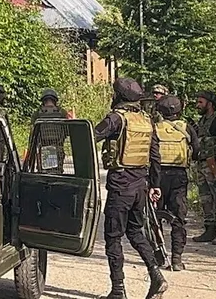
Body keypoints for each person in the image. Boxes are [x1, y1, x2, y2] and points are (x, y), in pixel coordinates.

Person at [94, 77, 168, 299]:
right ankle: (157, 276)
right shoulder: (146, 121)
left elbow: (91, 136)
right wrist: (155, 185)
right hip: (140, 187)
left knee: (113, 236)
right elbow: (155, 155)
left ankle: (118, 290)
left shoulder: (116, 119)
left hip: (120, 186)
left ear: (118, 96)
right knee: (136, 232)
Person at [153, 95, 198, 271]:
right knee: (178, 218)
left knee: (155, 217)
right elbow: (197, 151)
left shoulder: (155, 127)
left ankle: (159, 256)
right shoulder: (186, 127)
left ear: (160, 111)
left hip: (158, 175)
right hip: (179, 176)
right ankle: (177, 259)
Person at [191, 90, 216, 245]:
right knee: (205, 198)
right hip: (202, 164)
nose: (197, 105)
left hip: (215, 164)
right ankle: (210, 229)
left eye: (201, 102)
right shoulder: (202, 122)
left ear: (210, 104)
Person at [33, 89, 70, 172]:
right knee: (58, 173)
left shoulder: (38, 114)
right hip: (58, 148)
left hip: (43, 148)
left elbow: (33, 132)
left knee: (43, 174)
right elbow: (67, 130)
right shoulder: (62, 113)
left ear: (43, 101)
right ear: (55, 100)